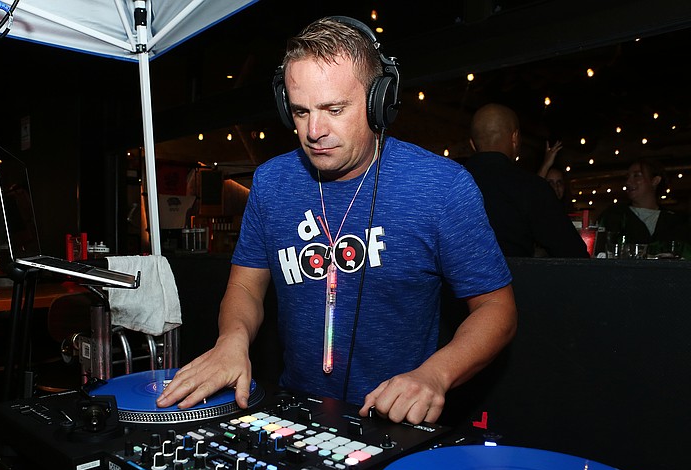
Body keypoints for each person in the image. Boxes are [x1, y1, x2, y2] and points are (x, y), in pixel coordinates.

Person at [156, 17, 517, 425]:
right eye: (300, 111)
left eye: (334, 109)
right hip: (295, 412)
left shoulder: (442, 187)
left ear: (378, 101)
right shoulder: (271, 183)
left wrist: (435, 374)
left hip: (396, 421)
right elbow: (245, 285)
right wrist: (231, 341)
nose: (314, 130)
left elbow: (496, 309)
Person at [464, 103, 589, 258]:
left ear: (472, 144)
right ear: (515, 138)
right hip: (515, 281)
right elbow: (573, 254)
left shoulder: (445, 185)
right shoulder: (531, 187)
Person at [596, 158, 691, 259]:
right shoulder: (613, 216)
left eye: (636, 176)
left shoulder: (676, 223)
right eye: (628, 177)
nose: (628, 182)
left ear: (655, 181)